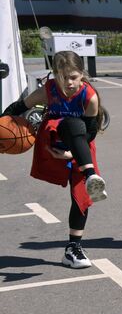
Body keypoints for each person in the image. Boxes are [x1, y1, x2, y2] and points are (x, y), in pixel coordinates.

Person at [7, 51, 108, 268]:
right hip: (53, 140)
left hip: (79, 148)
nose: (68, 82)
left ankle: (73, 249)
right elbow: (18, 108)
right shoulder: (49, 90)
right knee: (69, 124)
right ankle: (90, 173)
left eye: (73, 77)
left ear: (81, 74)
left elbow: (89, 134)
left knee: (83, 195)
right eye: (63, 77)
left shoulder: (89, 96)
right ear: (55, 75)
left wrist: (72, 154)